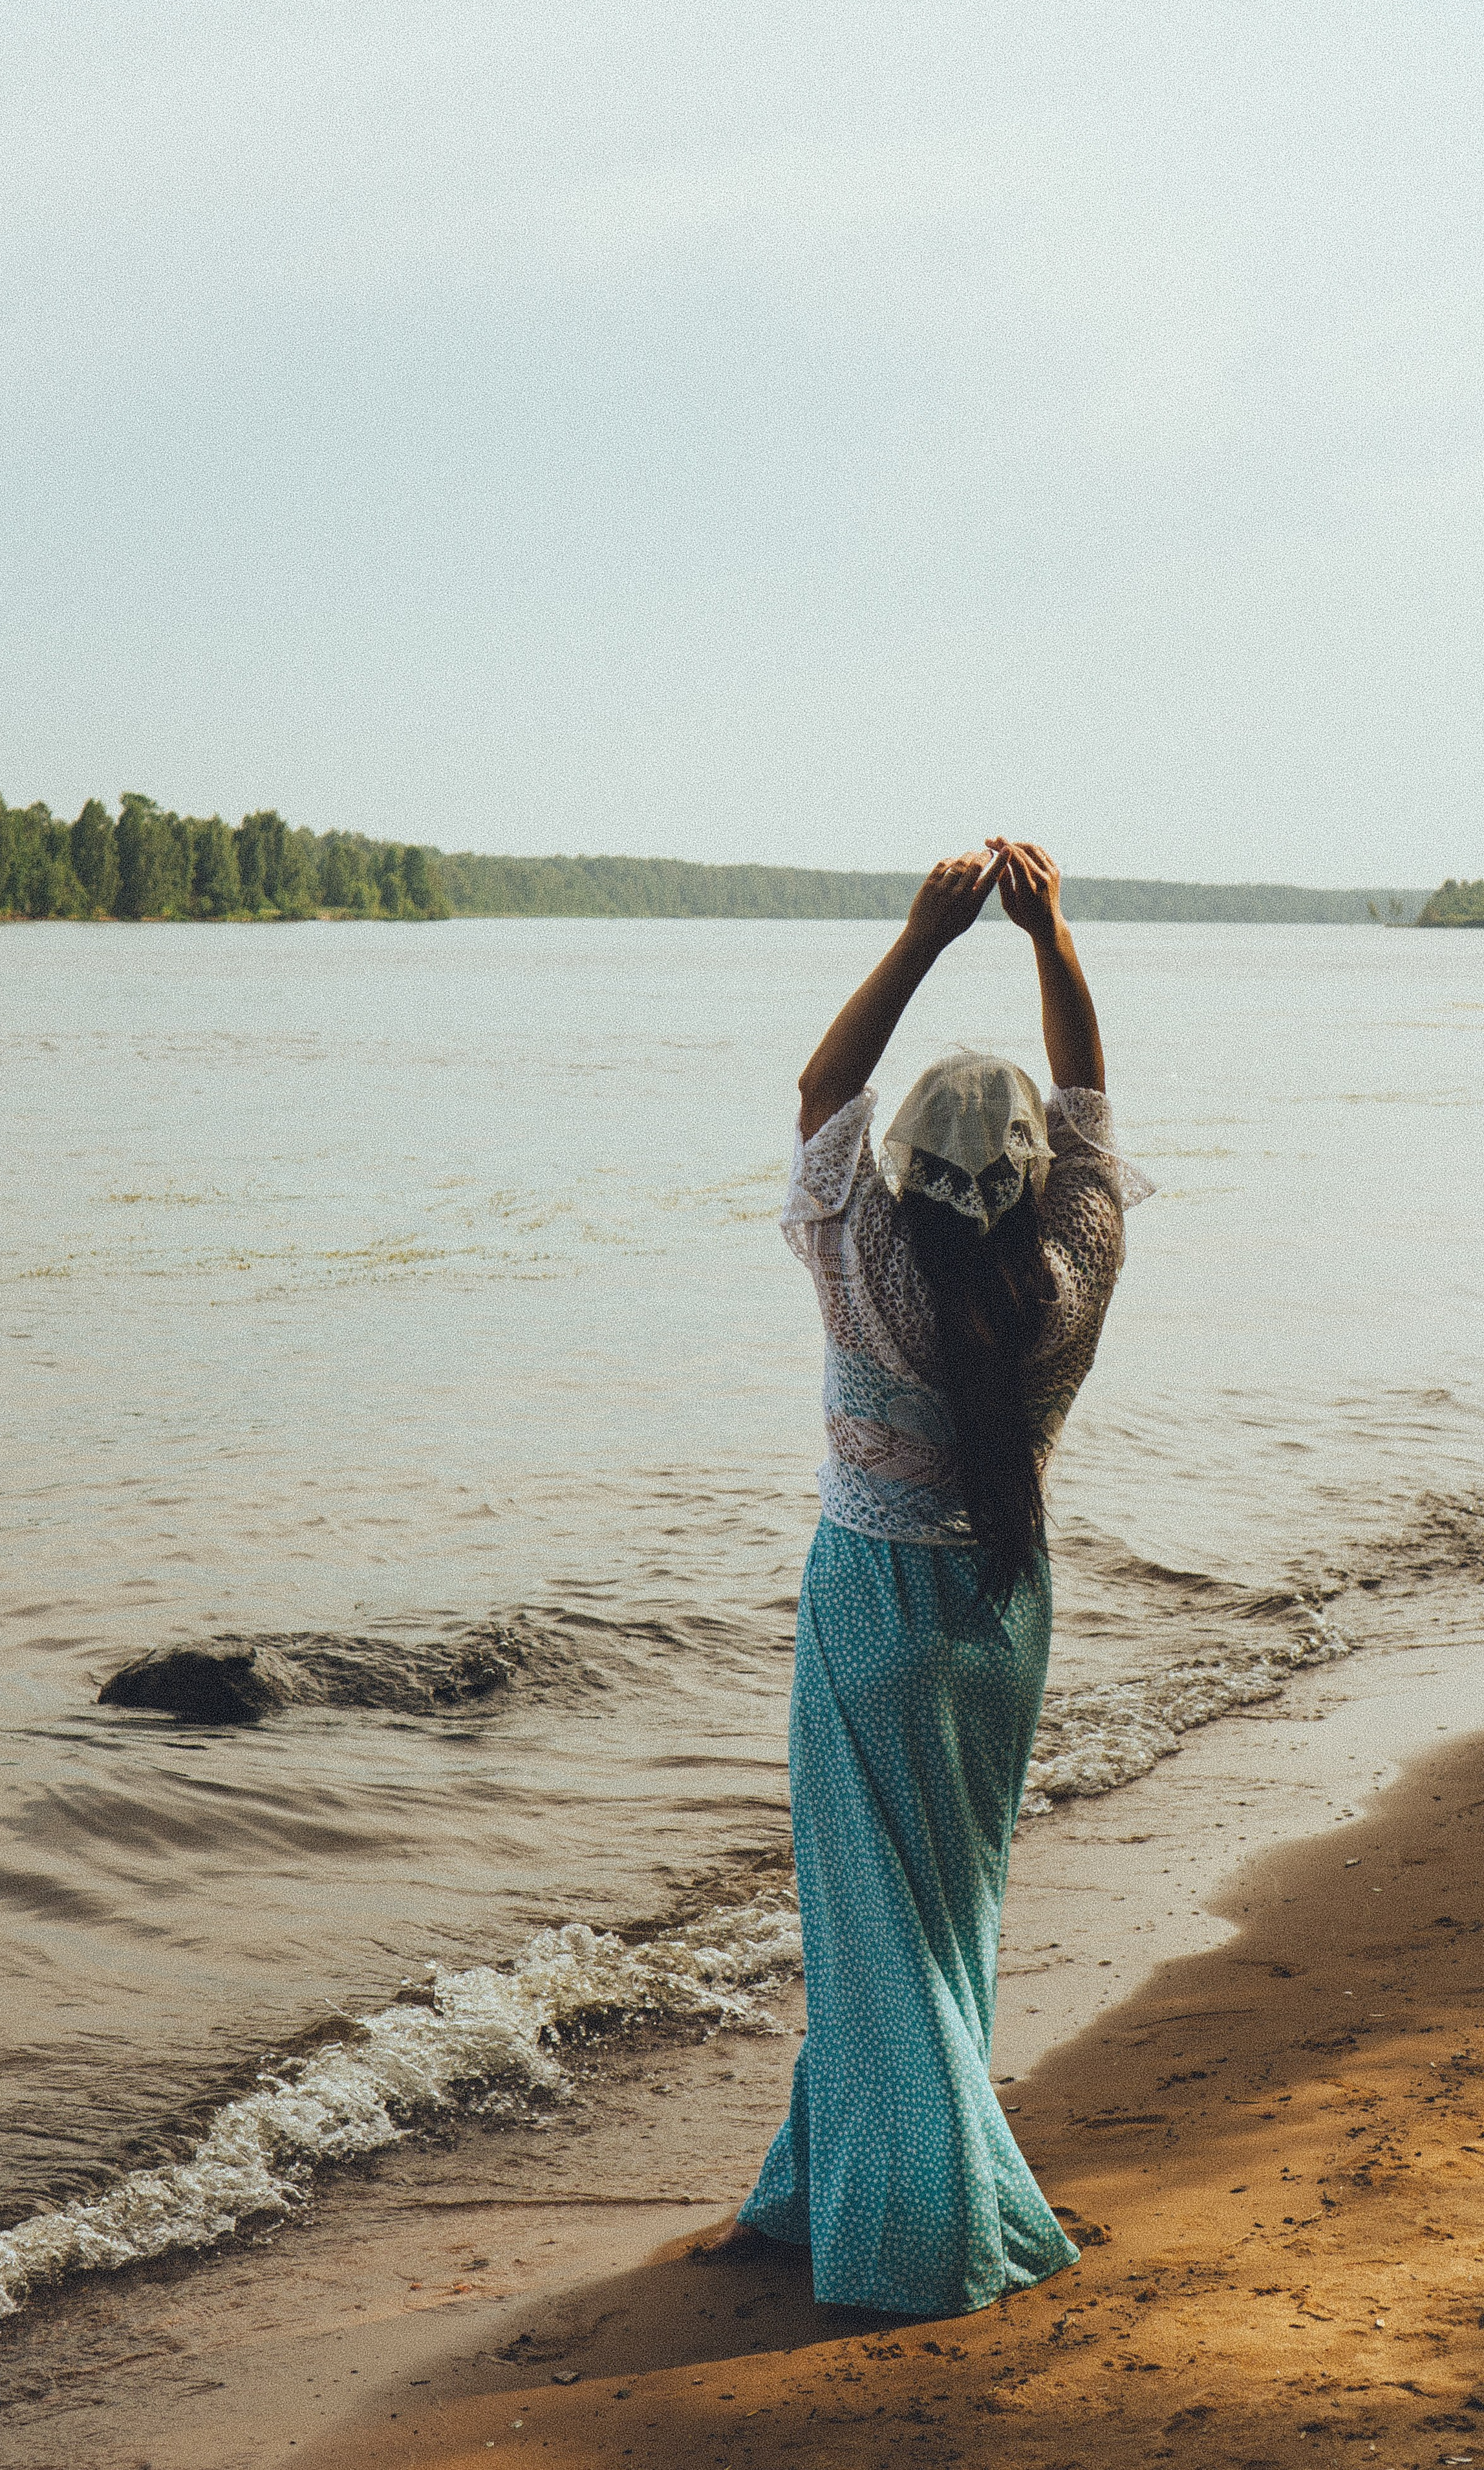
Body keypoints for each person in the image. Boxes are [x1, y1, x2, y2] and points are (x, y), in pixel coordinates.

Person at [707, 838, 1152, 2317]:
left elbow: (814, 1097)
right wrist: (1052, 940)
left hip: (873, 1602)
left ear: (906, 1163)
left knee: (861, 1917)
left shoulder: (859, 1251)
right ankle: (809, 2187)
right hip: (1000, 1615)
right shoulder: (1068, 1268)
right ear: (1031, 1172)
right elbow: (1088, 1118)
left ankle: (917, 2222)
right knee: (942, 1918)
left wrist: (918, 939)